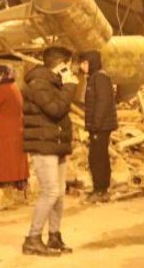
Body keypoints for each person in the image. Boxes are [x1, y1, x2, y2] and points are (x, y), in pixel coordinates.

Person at [22, 46, 77, 257]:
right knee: (50, 191)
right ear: (62, 65)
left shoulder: (53, 83)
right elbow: (56, 110)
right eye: (69, 65)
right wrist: (70, 86)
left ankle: (54, 235)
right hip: (44, 145)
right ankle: (33, 238)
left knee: (59, 194)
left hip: (55, 143)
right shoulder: (39, 84)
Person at [78, 50, 117, 204]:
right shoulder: (95, 78)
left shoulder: (99, 78)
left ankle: (100, 190)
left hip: (100, 127)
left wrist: (96, 126)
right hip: (99, 126)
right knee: (98, 157)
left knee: (97, 158)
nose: (82, 66)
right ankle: (101, 189)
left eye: (85, 63)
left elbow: (102, 103)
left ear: (92, 62)